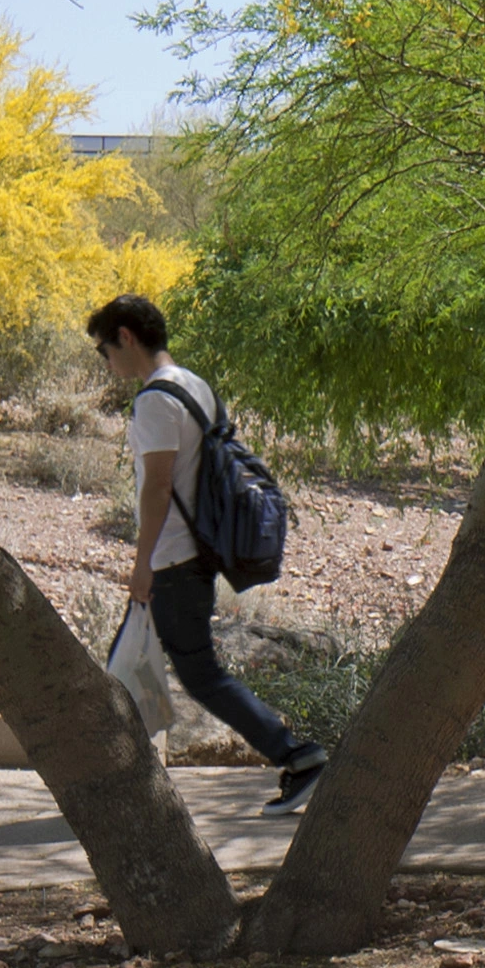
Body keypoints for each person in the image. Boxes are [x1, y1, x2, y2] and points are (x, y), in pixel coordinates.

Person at [86, 294, 326, 810]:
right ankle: (124, 786)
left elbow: (157, 486)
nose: (107, 363)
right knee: (133, 668)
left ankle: (298, 756)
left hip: (172, 561)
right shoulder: (196, 386)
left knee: (186, 675)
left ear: (126, 337)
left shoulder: (154, 399)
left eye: (105, 350)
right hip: (197, 556)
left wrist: (141, 564)